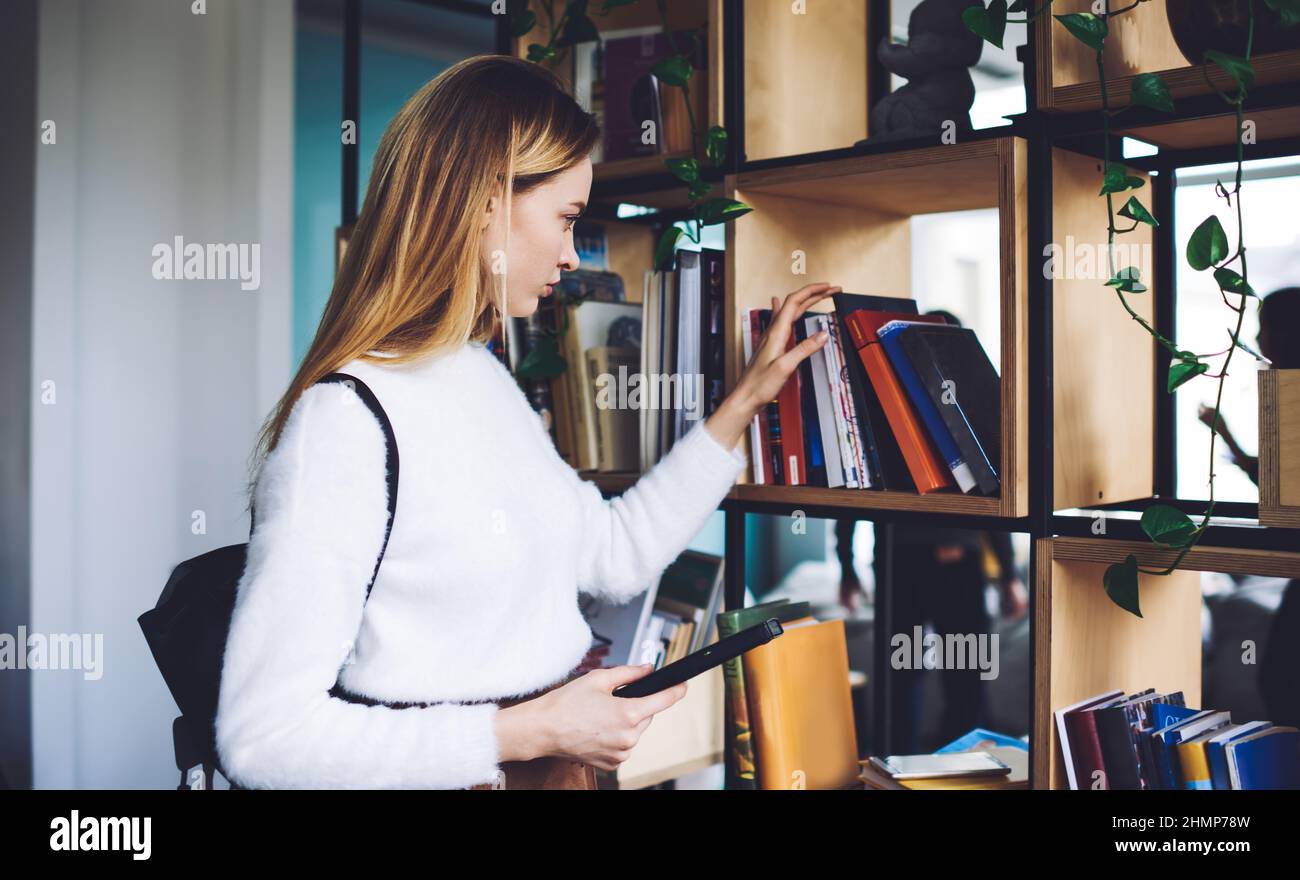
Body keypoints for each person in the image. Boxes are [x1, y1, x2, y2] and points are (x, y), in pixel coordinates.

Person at [214, 55, 842, 789]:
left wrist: (744, 406)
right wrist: (530, 731)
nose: (573, 255)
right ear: (484, 201)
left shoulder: (481, 376)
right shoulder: (346, 422)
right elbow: (264, 739)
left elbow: (614, 555)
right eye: (567, 218)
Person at [836, 310, 1027, 754]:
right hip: (905, 564)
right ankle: (899, 766)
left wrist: (1010, 575)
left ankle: (956, 762)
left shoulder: (965, 408)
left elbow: (994, 497)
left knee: (961, 677)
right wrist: (847, 568)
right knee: (904, 677)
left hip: (948, 565)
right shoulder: (889, 409)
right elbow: (855, 492)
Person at [1193, 287, 1300, 730]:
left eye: (1264, 327)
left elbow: (1282, 494)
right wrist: (1230, 439)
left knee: (1281, 682)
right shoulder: (1285, 391)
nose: (1256, 338)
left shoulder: (1290, 394)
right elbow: (1282, 486)